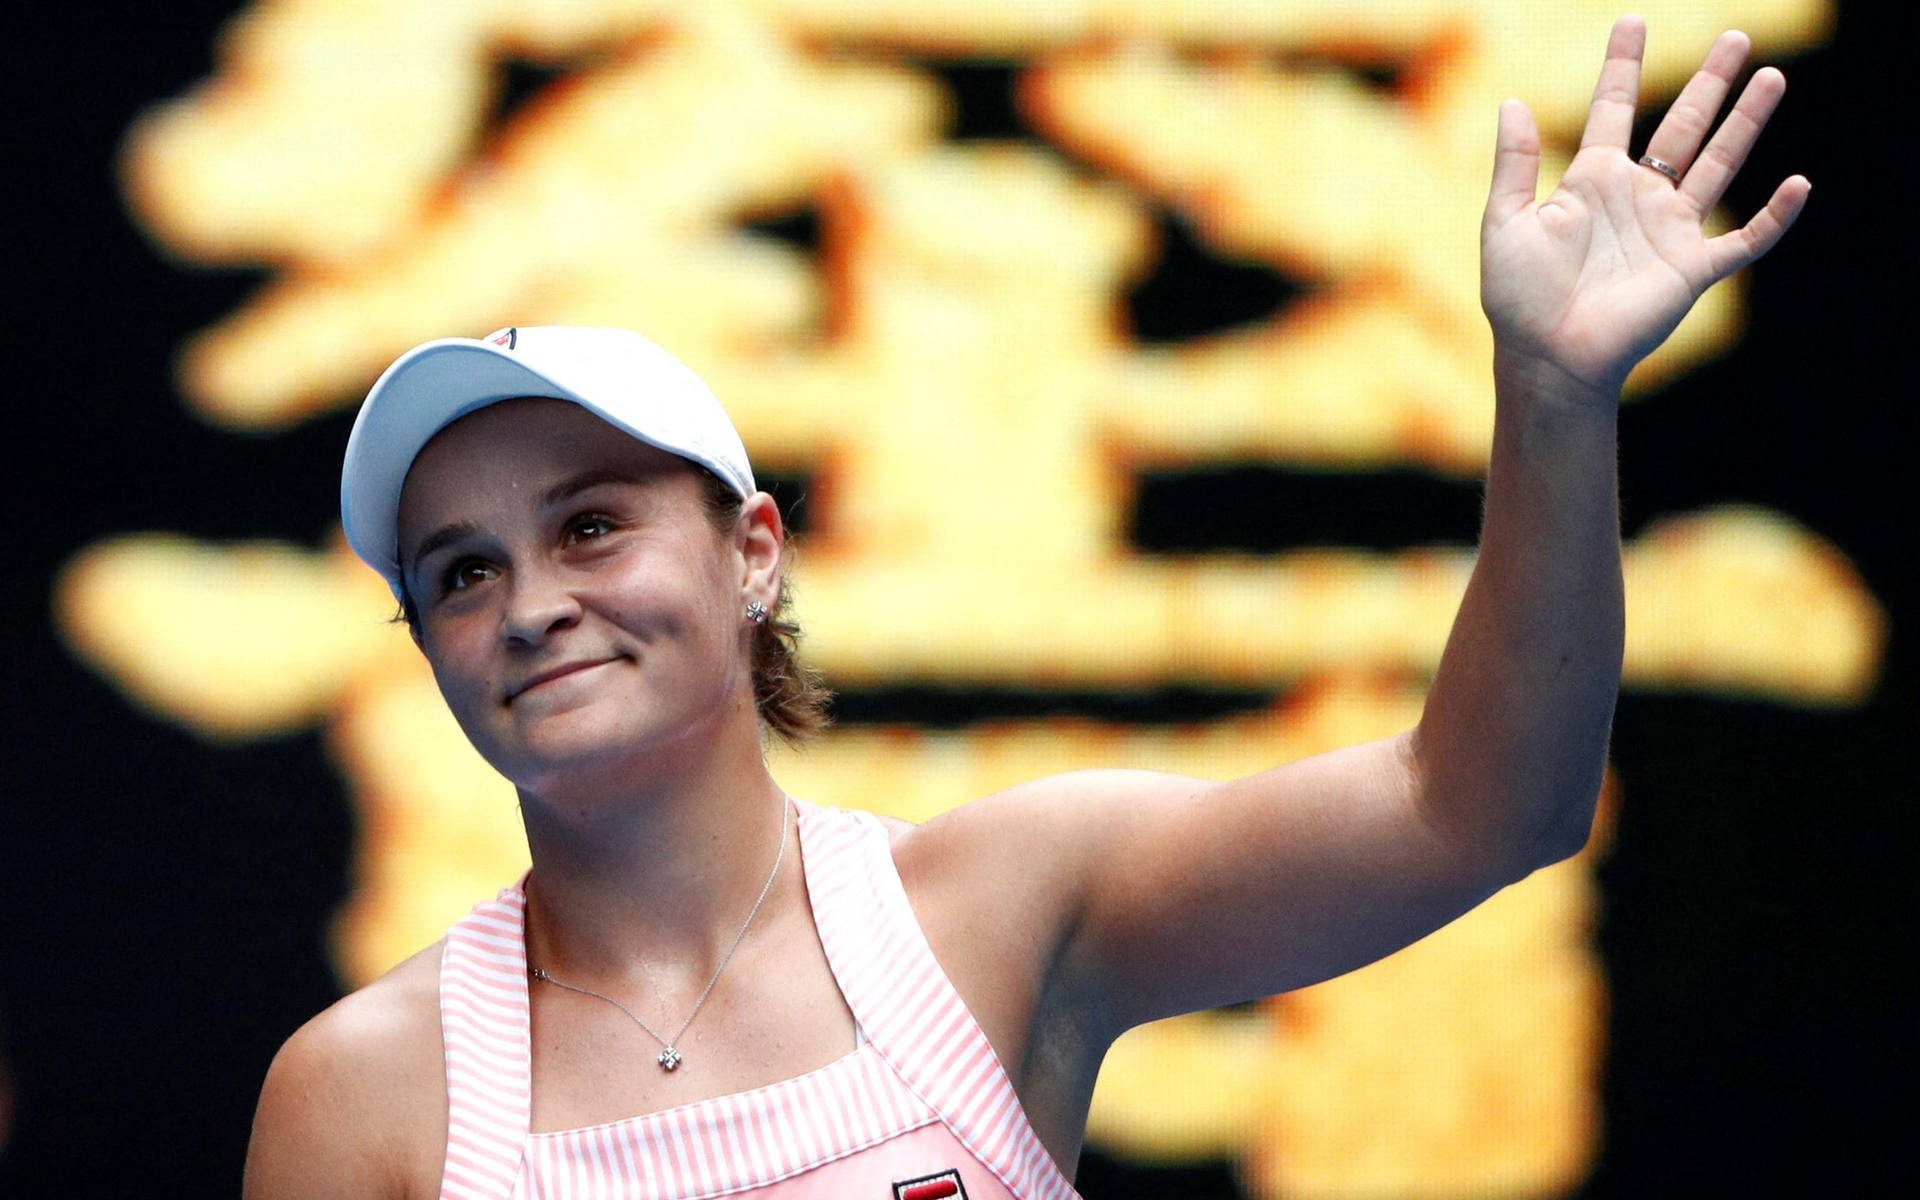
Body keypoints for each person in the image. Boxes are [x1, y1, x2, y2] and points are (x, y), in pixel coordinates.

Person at [242, 17, 1808, 1198]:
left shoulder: (995, 908)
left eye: (591, 525)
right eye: (461, 572)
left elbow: (1478, 808)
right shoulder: (362, 1095)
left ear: (754, 554)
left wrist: (1552, 399)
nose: (528, 607)